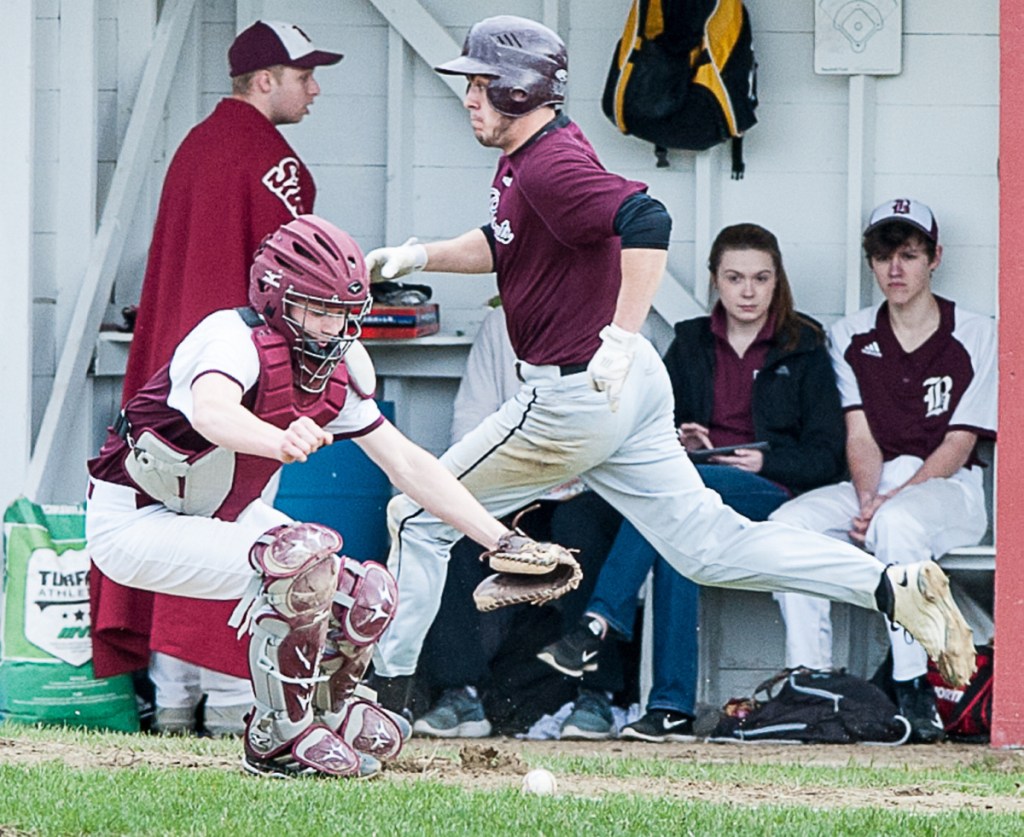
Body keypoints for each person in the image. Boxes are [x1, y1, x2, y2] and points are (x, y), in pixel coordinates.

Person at [362, 16, 976, 721]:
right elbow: (505, 243)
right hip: (623, 392)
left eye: (479, 83)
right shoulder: (534, 155)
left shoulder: (550, 163)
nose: (469, 97)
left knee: (414, 511)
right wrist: (417, 256)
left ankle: (384, 698)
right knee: (710, 548)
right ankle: (889, 585)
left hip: (576, 393)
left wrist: (622, 336)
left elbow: (646, 219)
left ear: (518, 87)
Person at [86, 215, 572, 778]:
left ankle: (329, 710)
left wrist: (500, 539)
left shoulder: (334, 367)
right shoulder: (229, 337)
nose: (331, 328)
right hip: (136, 520)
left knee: (367, 596)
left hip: (215, 515)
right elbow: (212, 411)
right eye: (317, 311)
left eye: (342, 314)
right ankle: (276, 737)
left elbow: (409, 462)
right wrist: (278, 437)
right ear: (275, 299)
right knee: (303, 564)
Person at [91, 19, 344, 735]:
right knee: (247, 539)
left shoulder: (195, 147)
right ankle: (237, 705)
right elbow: (293, 285)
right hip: (241, 386)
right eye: (304, 76)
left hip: (165, 390)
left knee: (172, 530)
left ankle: (174, 700)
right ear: (266, 80)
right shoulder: (277, 165)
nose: (315, 88)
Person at [538, 223, 847, 741]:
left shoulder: (804, 344)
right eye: (735, 278)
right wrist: (682, 439)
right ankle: (671, 710)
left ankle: (600, 622)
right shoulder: (690, 342)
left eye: (761, 278)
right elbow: (645, 426)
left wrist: (764, 465)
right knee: (676, 536)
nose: (748, 291)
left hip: (769, 492)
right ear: (714, 281)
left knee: (673, 508)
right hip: (695, 486)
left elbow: (827, 455)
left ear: (777, 283)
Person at [770, 198, 997, 743]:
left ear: (934, 258)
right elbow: (860, 434)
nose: (895, 269)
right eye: (883, 256)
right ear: (870, 262)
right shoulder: (850, 334)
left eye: (909, 255)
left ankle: (912, 687)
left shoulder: (974, 330)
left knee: (897, 527)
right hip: (875, 484)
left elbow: (959, 441)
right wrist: (870, 497)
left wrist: (887, 507)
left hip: (947, 488)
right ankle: (810, 681)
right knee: (784, 527)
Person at [412, 307, 630, 740]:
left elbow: (629, 426)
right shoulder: (501, 323)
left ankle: (596, 696)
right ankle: (461, 691)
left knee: (580, 531)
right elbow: (469, 422)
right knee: (454, 531)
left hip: (588, 489)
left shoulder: (616, 323)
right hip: (511, 486)